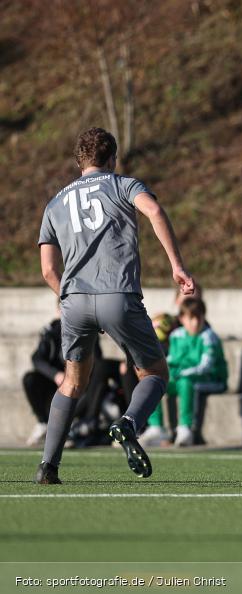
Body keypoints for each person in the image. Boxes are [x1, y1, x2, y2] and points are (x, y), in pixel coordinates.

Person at [34, 127, 194, 484]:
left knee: (73, 383)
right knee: (154, 374)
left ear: (80, 162)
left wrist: (68, 297)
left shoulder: (55, 203)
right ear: (113, 158)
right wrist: (177, 266)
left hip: (73, 302)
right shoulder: (123, 185)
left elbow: (47, 270)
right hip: (118, 296)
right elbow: (153, 211)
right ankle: (128, 423)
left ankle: (48, 467)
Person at [142, 297, 227, 447]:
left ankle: (185, 428)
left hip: (212, 380)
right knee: (154, 382)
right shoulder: (176, 336)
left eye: (198, 318)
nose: (195, 323)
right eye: (191, 318)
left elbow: (205, 367)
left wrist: (182, 373)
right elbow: (172, 360)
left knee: (186, 382)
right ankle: (156, 427)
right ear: (181, 319)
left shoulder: (209, 337)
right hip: (183, 378)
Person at [22, 308, 104, 447]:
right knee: (30, 378)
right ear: (59, 311)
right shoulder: (52, 331)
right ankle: (44, 423)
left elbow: (97, 361)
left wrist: (77, 374)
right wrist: (56, 375)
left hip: (80, 386)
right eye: (64, 308)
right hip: (55, 388)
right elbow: (37, 359)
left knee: (96, 377)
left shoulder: (87, 330)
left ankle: (77, 425)